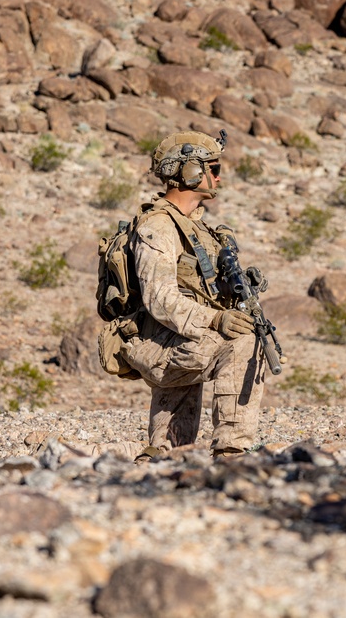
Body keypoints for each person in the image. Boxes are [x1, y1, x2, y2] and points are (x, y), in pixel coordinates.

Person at [120, 130, 266, 460]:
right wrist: (217, 318)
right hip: (159, 345)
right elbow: (159, 299)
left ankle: (160, 452)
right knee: (243, 343)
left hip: (182, 340)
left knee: (166, 454)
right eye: (212, 168)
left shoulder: (197, 228)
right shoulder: (158, 227)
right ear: (190, 172)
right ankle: (232, 447)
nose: (218, 176)